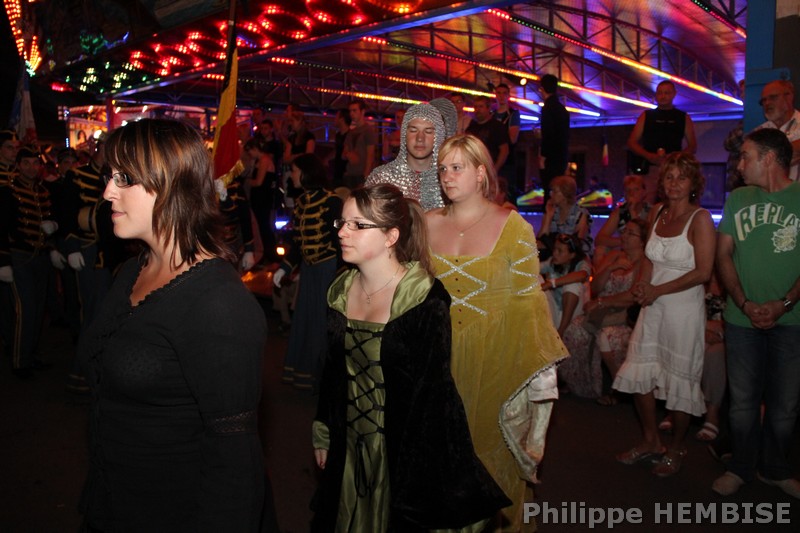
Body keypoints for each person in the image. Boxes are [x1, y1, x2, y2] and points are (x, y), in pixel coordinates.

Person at [78, 119, 268, 530]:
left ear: (171, 185)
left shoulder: (219, 303)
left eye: (124, 178)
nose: (108, 191)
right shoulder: (133, 270)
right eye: (109, 176)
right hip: (115, 502)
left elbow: (235, 463)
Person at [311, 183, 509, 531]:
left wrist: (438, 474)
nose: (342, 232)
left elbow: (435, 394)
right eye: (342, 222)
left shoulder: (423, 300)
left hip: (400, 452)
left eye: (358, 225)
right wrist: (324, 432)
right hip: (348, 446)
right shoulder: (339, 292)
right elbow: (332, 373)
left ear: (391, 236)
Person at [427, 134, 568, 531]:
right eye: (442, 169)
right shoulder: (427, 223)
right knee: (439, 452)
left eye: (456, 167)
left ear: (480, 172)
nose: (447, 176)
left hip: (493, 357)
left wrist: (536, 374)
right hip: (436, 356)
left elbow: (528, 301)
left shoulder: (512, 226)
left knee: (489, 454)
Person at [613, 152, 715, 477]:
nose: (674, 183)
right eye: (669, 177)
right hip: (653, 307)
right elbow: (648, 258)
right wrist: (644, 286)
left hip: (683, 311)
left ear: (693, 183)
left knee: (680, 382)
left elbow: (703, 272)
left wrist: (658, 290)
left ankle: (676, 448)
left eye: (681, 177)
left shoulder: (701, 219)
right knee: (639, 372)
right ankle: (650, 440)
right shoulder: (657, 211)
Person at [712, 128, 800, 498]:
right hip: (741, 319)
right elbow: (722, 255)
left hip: (792, 321)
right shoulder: (738, 198)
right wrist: (744, 303)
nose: (739, 165)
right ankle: (740, 467)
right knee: (743, 403)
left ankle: (775, 469)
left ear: (769, 158)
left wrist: (784, 303)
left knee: (785, 405)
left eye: (746, 156)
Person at [562, 219, 648, 403]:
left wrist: (602, 302)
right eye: (624, 231)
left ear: (642, 241)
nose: (624, 236)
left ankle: (620, 389)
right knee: (574, 329)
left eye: (630, 233)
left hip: (622, 317)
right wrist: (610, 269)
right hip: (599, 313)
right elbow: (595, 288)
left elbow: (633, 296)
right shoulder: (614, 255)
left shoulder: (644, 263)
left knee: (607, 336)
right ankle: (581, 384)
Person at [275, 153, 342, 391]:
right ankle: (303, 373)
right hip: (308, 270)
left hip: (327, 270)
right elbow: (298, 242)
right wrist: (285, 267)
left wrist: (341, 275)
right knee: (305, 321)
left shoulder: (332, 202)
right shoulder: (301, 202)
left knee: (322, 323)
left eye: (294, 171)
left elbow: (339, 241)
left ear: (305, 173)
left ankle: (322, 378)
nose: (291, 175)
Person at [0, 146, 58, 378]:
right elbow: (1, 228)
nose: (32, 168)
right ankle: (20, 361)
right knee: (25, 309)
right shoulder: (7, 192)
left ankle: (31, 354)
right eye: (26, 163)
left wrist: (52, 244)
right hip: (19, 256)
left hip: (40, 256)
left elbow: (49, 219)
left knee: (38, 308)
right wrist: (3, 261)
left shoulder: (42, 191)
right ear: (18, 165)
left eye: (35, 163)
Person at [627, 80, 697, 204]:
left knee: (675, 202)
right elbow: (632, 142)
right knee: (646, 204)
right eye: (660, 93)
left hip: (674, 168)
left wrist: (675, 158)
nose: (663, 96)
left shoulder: (683, 117)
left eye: (667, 93)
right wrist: (649, 156)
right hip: (651, 167)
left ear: (674, 94)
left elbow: (692, 146)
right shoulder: (646, 115)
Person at [366, 102, 445, 210]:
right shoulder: (381, 179)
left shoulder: (448, 181)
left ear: (438, 137)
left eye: (428, 131)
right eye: (413, 130)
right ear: (404, 134)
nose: (420, 138)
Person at [594, 174, 650, 264]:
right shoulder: (620, 212)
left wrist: (632, 211)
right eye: (628, 190)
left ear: (644, 192)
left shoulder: (651, 211)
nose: (632, 193)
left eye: (636, 189)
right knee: (600, 250)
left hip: (644, 252)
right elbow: (599, 239)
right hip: (624, 251)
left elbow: (642, 238)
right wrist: (624, 241)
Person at [754, 79, 799, 181]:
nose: (767, 103)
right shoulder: (758, 132)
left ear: (789, 97)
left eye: (773, 97)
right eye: (763, 100)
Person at [537, 175, 591, 259]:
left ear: (566, 193)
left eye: (554, 191)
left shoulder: (580, 214)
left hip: (573, 253)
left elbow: (578, 244)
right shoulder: (553, 210)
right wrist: (548, 216)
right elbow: (541, 238)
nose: (550, 194)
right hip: (554, 250)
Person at [538, 74, 570, 204]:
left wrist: (543, 156)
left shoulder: (547, 108)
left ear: (542, 89)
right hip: (561, 157)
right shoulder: (562, 109)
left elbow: (548, 135)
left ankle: (549, 214)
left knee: (549, 192)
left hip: (550, 159)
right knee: (559, 192)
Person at [466, 95, 509, 172]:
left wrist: (495, 169)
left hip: (490, 168)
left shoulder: (497, 126)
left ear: (488, 108)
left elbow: (504, 150)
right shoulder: (471, 127)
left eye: (481, 106)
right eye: (475, 107)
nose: (477, 110)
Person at [494, 83, 522, 196]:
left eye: (504, 93)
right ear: (495, 95)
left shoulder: (513, 114)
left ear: (508, 96)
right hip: (493, 160)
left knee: (507, 193)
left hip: (508, 162)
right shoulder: (492, 115)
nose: (501, 96)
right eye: (499, 93)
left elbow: (513, 139)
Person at [343, 99, 377, 189]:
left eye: (354, 110)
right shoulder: (350, 132)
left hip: (361, 174)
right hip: (351, 173)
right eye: (350, 111)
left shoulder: (368, 130)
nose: (351, 114)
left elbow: (371, 155)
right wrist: (348, 154)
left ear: (362, 112)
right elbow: (344, 152)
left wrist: (366, 175)